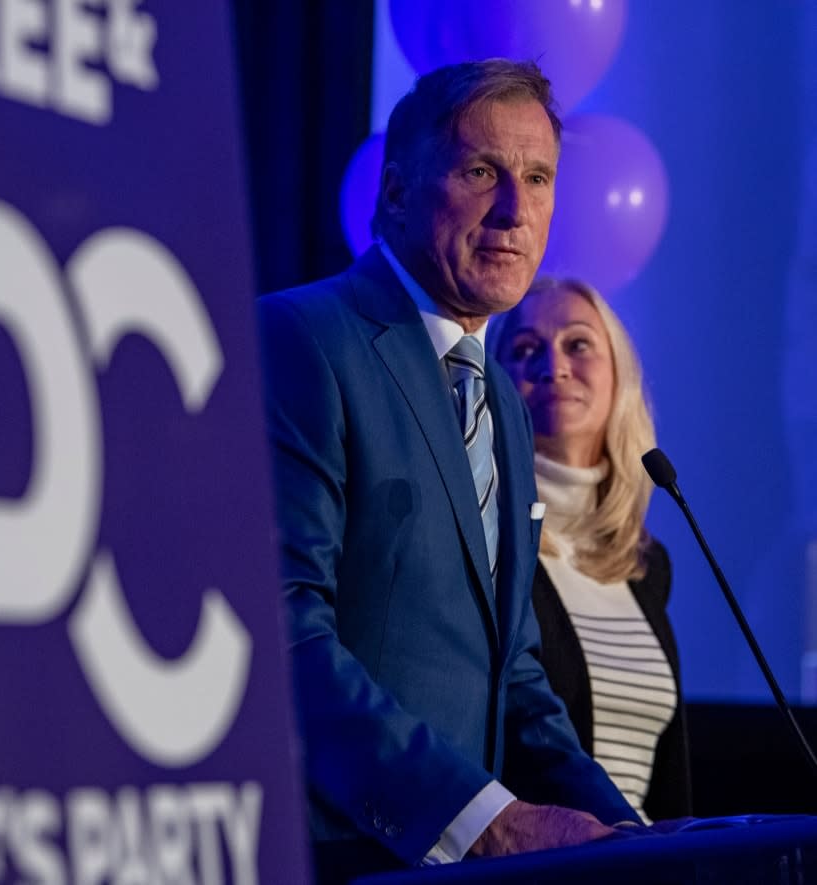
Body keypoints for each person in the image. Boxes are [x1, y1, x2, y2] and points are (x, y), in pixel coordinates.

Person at [256, 60, 641, 882]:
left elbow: (516, 673)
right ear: (395, 192)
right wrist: (486, 823)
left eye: (538, 178)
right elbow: (284, 631)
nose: (514, 211)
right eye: (480, 172)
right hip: (334, 855)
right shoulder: (304, 340)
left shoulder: (499, 393)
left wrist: (637, 839)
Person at [490, 276, 692, 822]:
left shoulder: (647, 566)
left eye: (578, 344)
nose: (553, 366)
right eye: (525, 349)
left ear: (619, 377)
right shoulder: (487, 540)